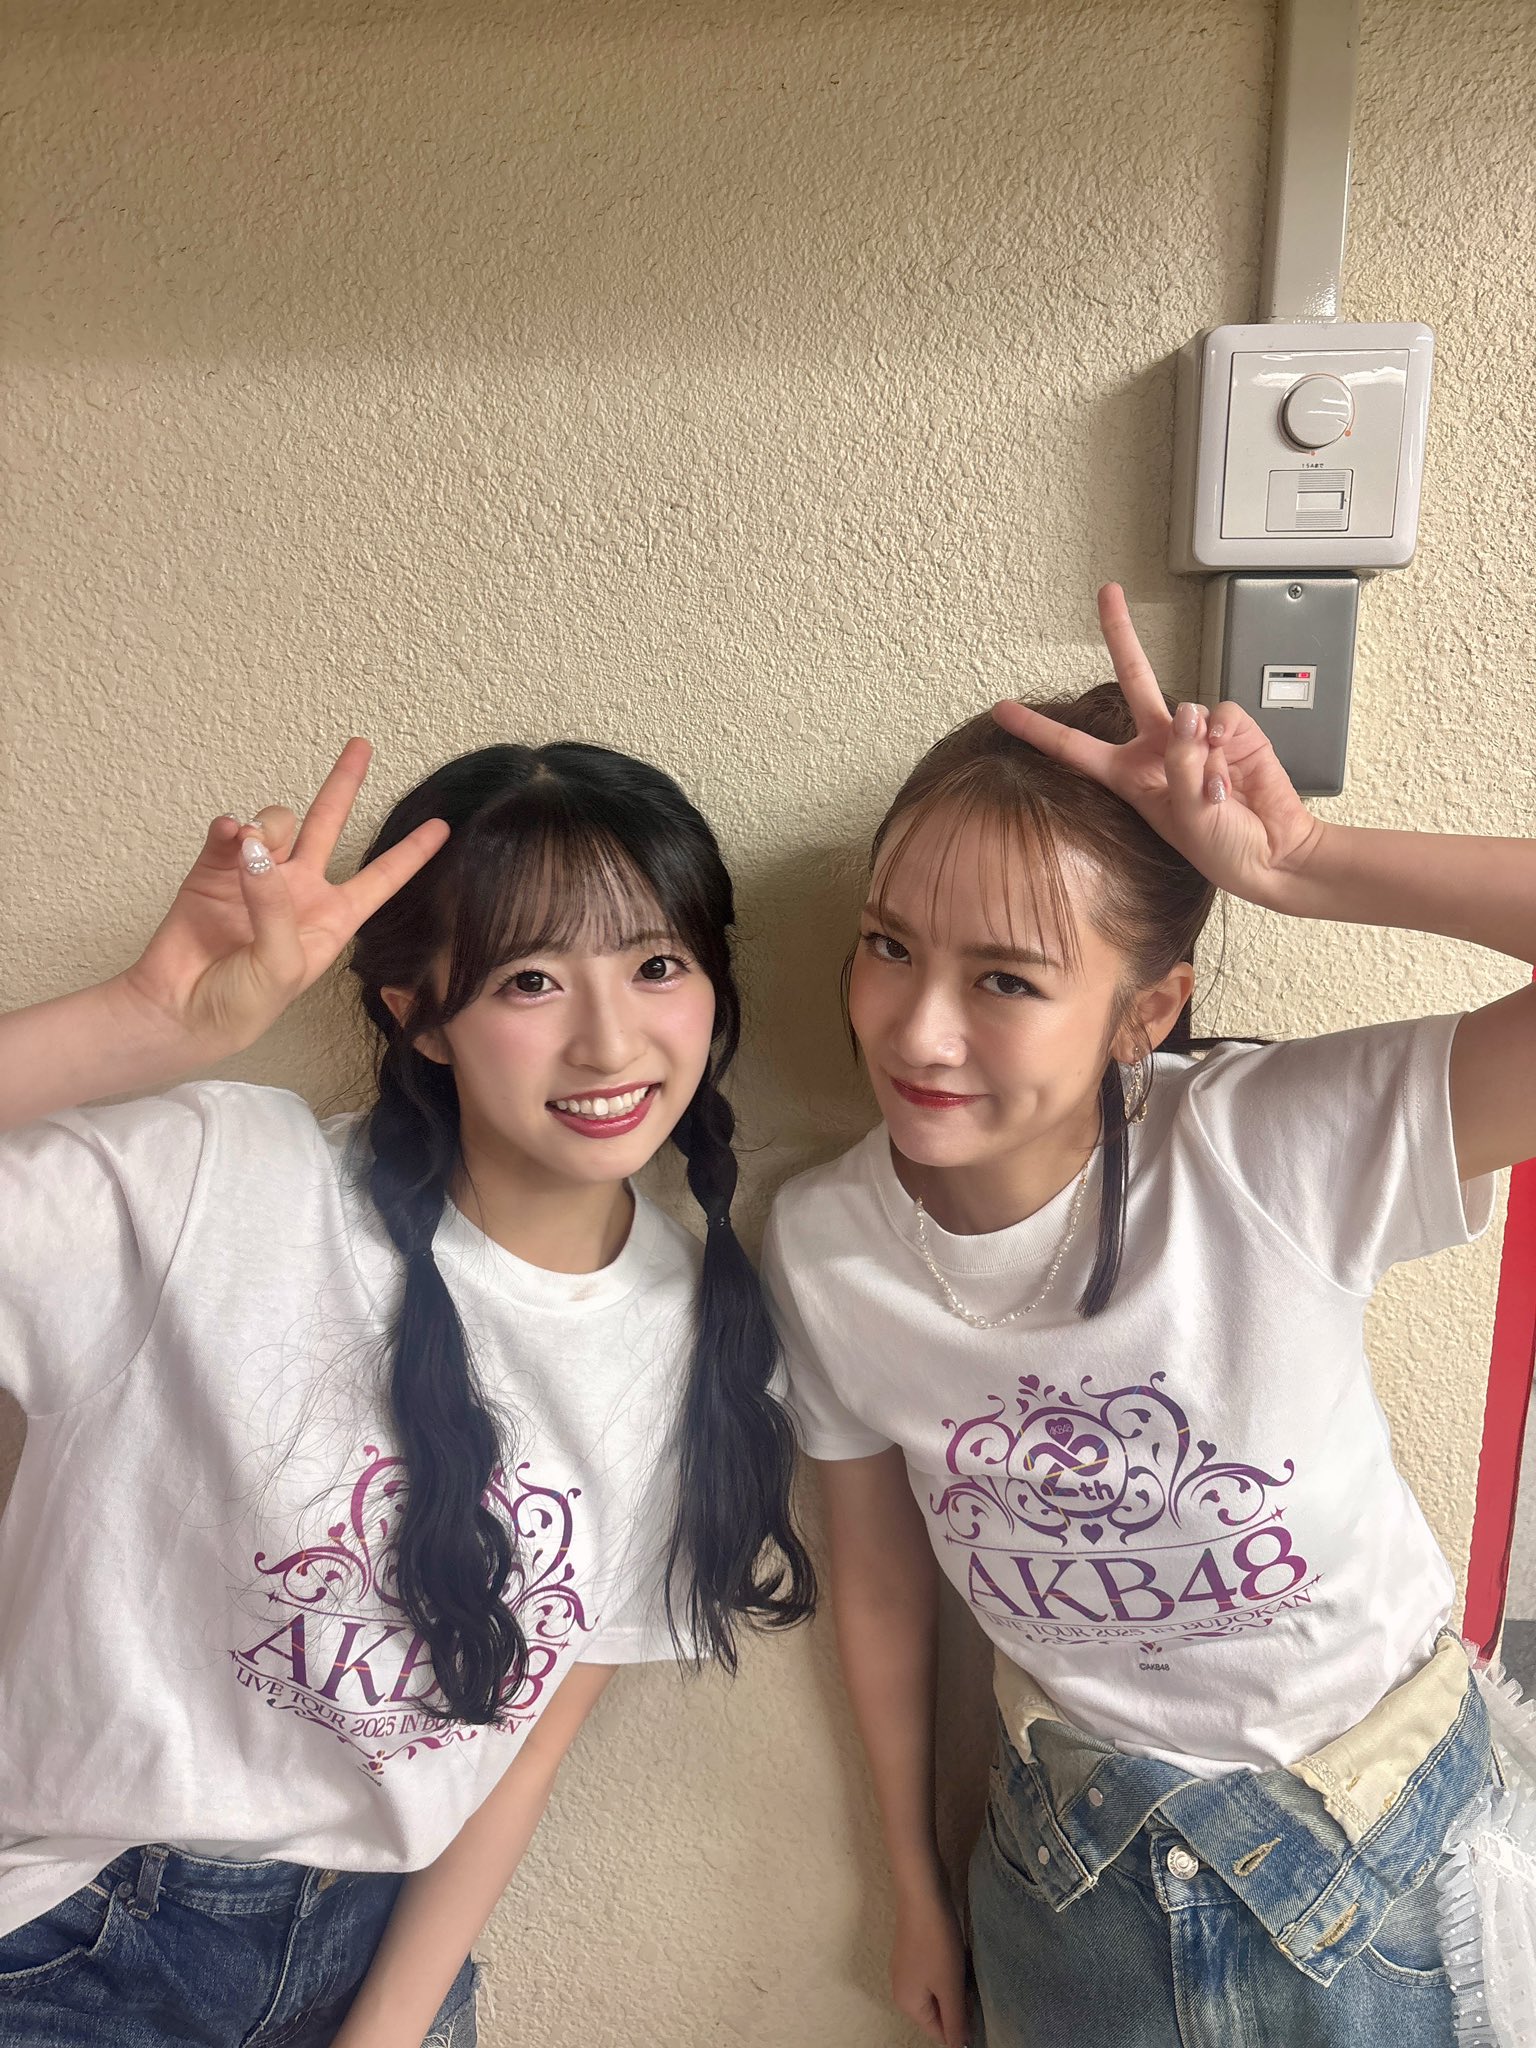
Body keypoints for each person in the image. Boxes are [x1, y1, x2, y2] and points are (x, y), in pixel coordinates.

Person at [763, 585, 1530, 2047]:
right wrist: (913, 1882)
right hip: (1073, 1881)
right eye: (888, 946)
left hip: (1379, 1863)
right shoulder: (825, 1247)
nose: (916, 1028)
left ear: (1146, 1012)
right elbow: (881, 1585)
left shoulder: (1271, 1149)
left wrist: (1306, 862)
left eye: (1005, 978)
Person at [0, 735, 814, 2048]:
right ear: (417, 1013)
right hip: (77, 1942)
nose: (610, 1039)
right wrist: (148, 1019)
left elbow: (523, 1750)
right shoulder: (214, 1182)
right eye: (530, 979)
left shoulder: (705, 1335)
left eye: (657, 965)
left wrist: (383, 2031)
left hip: (381, 1954)